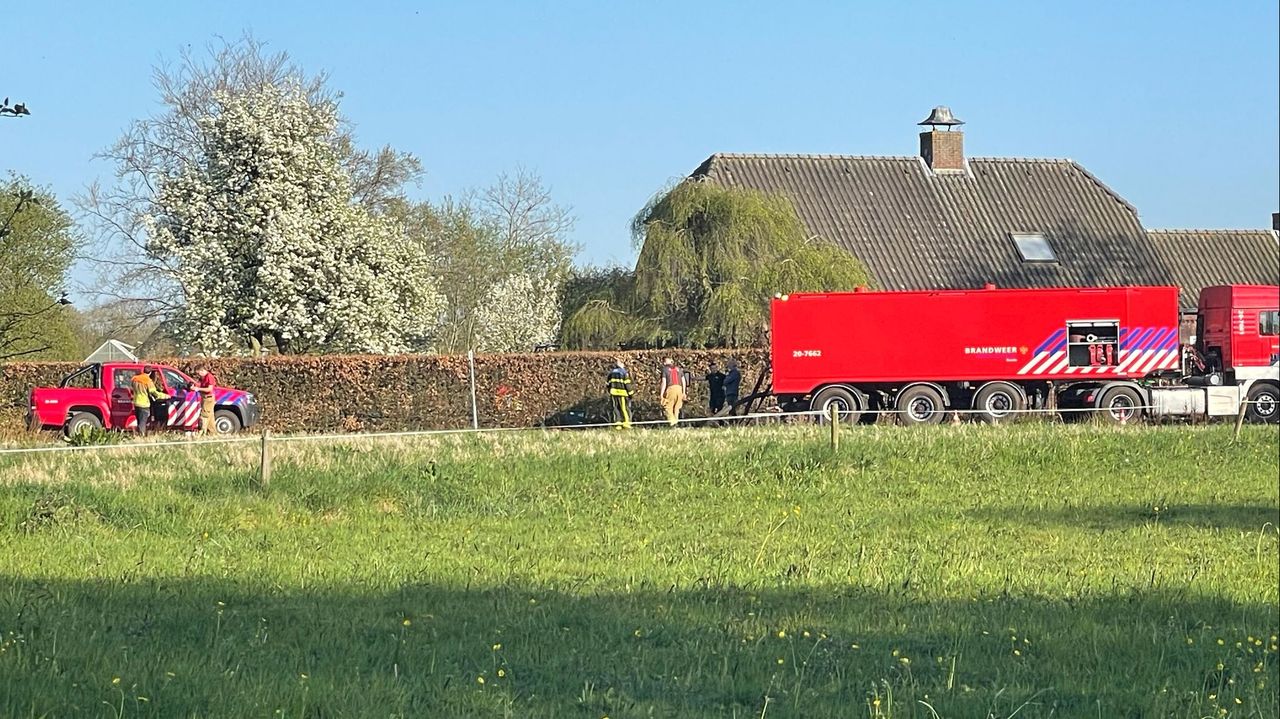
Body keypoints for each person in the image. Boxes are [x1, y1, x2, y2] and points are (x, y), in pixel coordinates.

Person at [130, 368, 169, 437]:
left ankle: (138, 434)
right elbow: (154, 393)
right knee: (143, 422)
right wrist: (166, 396)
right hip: (144, 404)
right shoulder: (148, 381)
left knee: (139, 421)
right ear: (150, 373)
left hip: (136, 403)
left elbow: (132, 389)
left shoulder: (135, 379)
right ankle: (141, 437)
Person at [659, 358, 689, 427]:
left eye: (664, 361)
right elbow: (684, 381)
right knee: (677, 408)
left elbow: (664, 382)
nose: (663, 363)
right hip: (679, 389)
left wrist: (661, 394)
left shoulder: (665, 369)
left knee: (668, 407)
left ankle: (673, 423)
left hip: (671, 389)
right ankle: (676, 422)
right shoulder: (679, 369)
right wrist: (684, 392)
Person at [606, 360, 634, 429]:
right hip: (622, 394)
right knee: (624, 408)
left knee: (615, 408)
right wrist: (631, 394)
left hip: (613, 394)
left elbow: (608, 384)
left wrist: (610, 391)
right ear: (622, 364)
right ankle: (626, 423)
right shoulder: (624, 372)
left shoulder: (611, 373)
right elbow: (627, 384)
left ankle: (617, 424)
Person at [194, 366, 218, 435]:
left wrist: (198, 389)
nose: (198, 375)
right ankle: (212, 433)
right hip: (204, 398)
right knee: (210, 417)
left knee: (204, 415)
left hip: (208, 398)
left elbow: (209, 389)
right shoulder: (203, 378)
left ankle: (201, 433)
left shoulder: (209, 377)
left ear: (202, 371)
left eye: (198, 373)